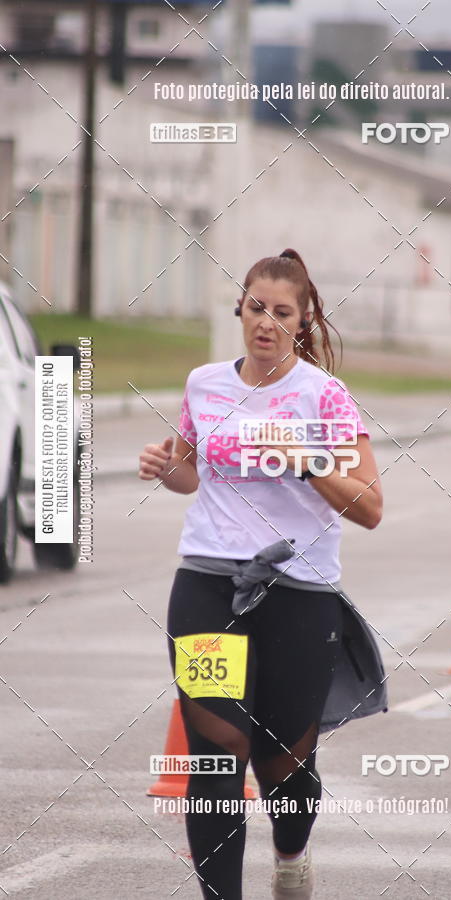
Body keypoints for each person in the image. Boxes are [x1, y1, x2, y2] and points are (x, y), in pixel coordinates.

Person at [138, 249, 384, 899]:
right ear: (239, 311)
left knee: (284, 767)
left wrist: (307, 462)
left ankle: (291, 853)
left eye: (281, 312)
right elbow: (192, 471)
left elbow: (370, 508)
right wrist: (168, 469)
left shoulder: (324, 397)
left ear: (302, 322)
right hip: (208, 584)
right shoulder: (205, 384)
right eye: (255, 309)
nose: (266, 323)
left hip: (299, 593)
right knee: (217, 756)